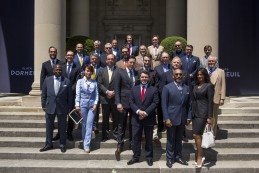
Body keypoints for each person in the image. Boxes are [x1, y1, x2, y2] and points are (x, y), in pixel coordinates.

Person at [127, 70, 159, 166]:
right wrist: (138, 112)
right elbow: (131, 102)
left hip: (148, 118)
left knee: (149, 139)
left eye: (146, 77)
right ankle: (136, 157)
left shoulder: (153, 89)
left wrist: (145, 113)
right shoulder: (134, 89)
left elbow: (155, 102)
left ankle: (149, 157)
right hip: (136, 118)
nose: (144, 78)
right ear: (139, 78)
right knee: (136, 138)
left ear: (148, 78)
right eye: (142, 77)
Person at [162, 69, 191, 168]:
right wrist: (166, 118)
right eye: (176, 74)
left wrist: (189, 116)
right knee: (170, 139)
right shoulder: (167, 87)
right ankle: (169, 158)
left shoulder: (187, 88)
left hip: (182, 118)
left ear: (183, 76)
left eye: (180, 74)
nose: (179, 76)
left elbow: (189, 105)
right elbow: (164, 104)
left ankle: (178, 156)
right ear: (173, 76)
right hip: (171, 118)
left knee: (179, 139)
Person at [40, 64, 71, 153]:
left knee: (62, 127)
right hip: (50, 107)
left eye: (60, 69)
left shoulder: (67, 81)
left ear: (62, 71)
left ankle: (62, 144)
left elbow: (70, 97)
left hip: (62, 108)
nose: (58, 71)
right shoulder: (47, 80)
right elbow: (44, 94)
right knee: (49, 127)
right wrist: (44, 105)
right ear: (53, 70)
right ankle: (48, 144)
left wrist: (68, 108)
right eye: (56, 69)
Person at [114, 55, 139, 161]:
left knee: (133, 124)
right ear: (127, 62)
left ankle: (132, 143)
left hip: (134, 104)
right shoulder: (120, 72)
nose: (132, 64)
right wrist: (118, 103)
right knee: (121, 124)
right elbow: (117, 88)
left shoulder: (137, 73)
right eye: (131, 62)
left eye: (134, 62)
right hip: (123, 103)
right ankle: (120, 145)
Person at [53, 50, 81, 141]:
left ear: (73, 57)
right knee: (61, 115)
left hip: (72, 95)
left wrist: (70, 89)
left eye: (71, 55)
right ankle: (60, 133)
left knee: (71, 115)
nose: (69, 56)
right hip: (62, 96)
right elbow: (58, 80)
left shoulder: (77, 68)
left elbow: (77, 81)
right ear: (65, 56)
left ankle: (69, 133)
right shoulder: (61, 67)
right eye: (68, 55)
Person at [192, 68, 214, 168]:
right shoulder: (195, 86)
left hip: (203, 113)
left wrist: (210, 116)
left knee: (196, 134)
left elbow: (210, 102)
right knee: (196, 135)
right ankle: (200, 155)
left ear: (205, 75)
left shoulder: (209, 86)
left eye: (201, 74)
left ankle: (200, 157)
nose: (199, 76)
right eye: (198, 75)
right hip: (195, 113)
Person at [75, 64, 99, 153]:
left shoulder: (94, 82)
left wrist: (96, 104)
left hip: (92, 105)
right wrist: (77, 105)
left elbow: (96, 95)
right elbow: (78, 94)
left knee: (89, 124)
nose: (88, 72)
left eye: (90, 71)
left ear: (92, 72)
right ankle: (84, 140)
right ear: (84, 71)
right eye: (87, 70)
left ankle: (87, 145)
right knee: (84, 124)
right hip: (83, 104)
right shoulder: (80, 81)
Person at [97, 53, 119, 141]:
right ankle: (104, 135)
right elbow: (99, 83)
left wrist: (114, 92)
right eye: (109, 59)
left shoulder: (119, 71)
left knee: (115, 118)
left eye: (112, 59)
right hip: (105, 98)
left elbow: (120, 84)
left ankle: (115, 135)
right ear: (106, 60)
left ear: (114, 60)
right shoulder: (101, 71)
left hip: (115, 98)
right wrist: (107, 92)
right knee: (105, 118)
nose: (110, 60)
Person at [208, 56, 226, 136]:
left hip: (216, 97)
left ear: (216, 62)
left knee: (214, 116)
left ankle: (213, 134)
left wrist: (222, 98)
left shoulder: (220, 71)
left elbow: (223, 85)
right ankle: (206, 133)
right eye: (209, 61)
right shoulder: (204, 70)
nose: (211, 62)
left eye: (212, 61)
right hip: (205, 98)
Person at [154, 52, 172, 133]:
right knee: (160, 109)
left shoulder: (172, 67)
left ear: (169, 58)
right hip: (161, 92)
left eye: (166, 57)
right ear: (161, 58)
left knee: (170, 108)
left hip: (172, 91)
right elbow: (156, 81)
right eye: (163, 57)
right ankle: (161, 126)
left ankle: (170, 125)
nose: (165, 59)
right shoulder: (157, 68)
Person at [89, 54, 101, 133]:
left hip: (97, 92)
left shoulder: (101, 69)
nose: (94, 60)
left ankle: (95, 125)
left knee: (96, 110)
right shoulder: (86, 68)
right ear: (90, 59)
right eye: (92, 59)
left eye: (95, 59)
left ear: (97, 60)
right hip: (88, 93)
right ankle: (89, 125)